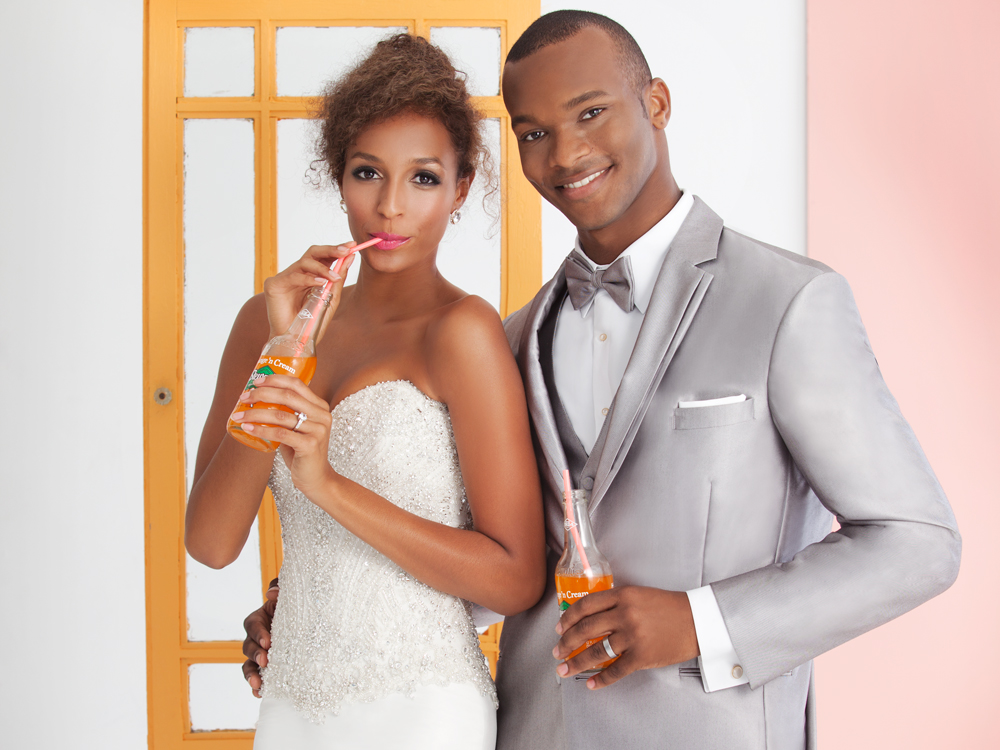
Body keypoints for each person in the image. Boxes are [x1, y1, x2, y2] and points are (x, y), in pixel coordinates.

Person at [243, 12, 961, 749]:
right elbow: (493, 562)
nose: (566, 153)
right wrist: (313, 612)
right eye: (534, 133)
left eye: (590, 113)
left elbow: (917, 542)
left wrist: (700, 623)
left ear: (657, 103)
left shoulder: (788, 302)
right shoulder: (508, 338)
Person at [185, 33, 545, 750]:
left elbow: (514, 579)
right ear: (338, 176)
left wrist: (326, 484)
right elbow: (211, 542)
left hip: (423, 710)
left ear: (461, 188)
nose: (390, 207)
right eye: (367, 172)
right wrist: (286, 354)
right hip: (292, 706)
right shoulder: (266, 324)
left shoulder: (462, 331)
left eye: (423, 178)